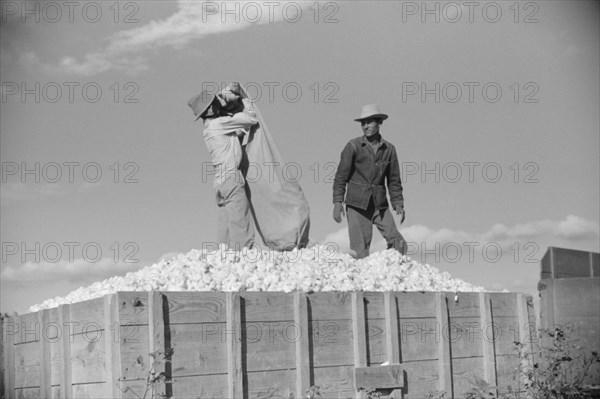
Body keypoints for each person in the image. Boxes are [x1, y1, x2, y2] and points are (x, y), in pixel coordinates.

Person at [188, 82, 258, 249]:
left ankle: (223, 256)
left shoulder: (210, 128)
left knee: (225, 223)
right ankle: (243, 253)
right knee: (241, 219)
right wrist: (245, 99)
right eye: (214, 102)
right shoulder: (219, 124)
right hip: (231, 178)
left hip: (219, 183)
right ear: (210, 109)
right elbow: (251, 118)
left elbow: (239, 132)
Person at [332, 104, 408, 259]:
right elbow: (341, 177)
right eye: (363, 123)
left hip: (379, 205)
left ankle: (392, 274)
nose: (365, 126)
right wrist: (338, 202)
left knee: (398, 242)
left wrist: (398, 202)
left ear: (379, 123)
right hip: (356, 205)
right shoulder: (353, 146)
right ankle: (362, 281)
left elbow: (394, 180)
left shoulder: (389, 149)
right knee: (360, 251)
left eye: (369, 122)